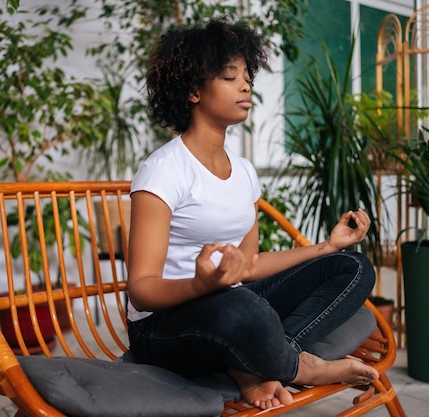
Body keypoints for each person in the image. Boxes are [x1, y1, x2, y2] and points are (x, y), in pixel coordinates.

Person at [126, 18, 379, 411]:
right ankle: (299, 366)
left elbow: (250, 264)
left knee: (351, 267)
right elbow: (141, 288)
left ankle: (269, 363)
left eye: (247, 76)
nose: (246, 86)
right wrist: (201, 284)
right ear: (193, 90)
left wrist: (326, 246)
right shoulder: (163, 171)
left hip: (233, 309)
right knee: (239, 305)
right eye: (231, 77)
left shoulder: (243, 171)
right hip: (163, 329)